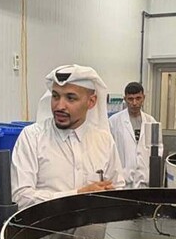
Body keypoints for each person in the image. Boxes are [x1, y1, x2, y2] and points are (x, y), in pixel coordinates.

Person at [11, 64, 124, 209]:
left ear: (91, 101)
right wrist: (77, 196)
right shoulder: (32, 137)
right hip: (45, 224)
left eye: (70, 98)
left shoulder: (104, 140)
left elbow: (118, 189)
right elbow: (21, 198)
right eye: (55, 96)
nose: (59, 106)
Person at [108, 82, 164, 188]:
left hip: (144, 181)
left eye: (138, 98)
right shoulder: (113, 122)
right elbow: (108, 151)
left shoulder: (151, 122)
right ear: (125, 99)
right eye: (130, 99)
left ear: (143, 98)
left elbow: (158, 150)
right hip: (122, 182)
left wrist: (147, 170)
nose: (134, 103)